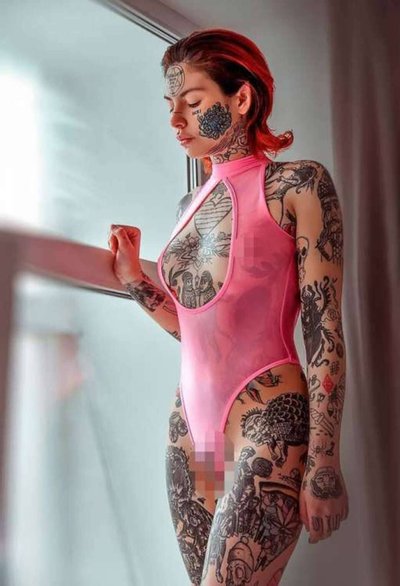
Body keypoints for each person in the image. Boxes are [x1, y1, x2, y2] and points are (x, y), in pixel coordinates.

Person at [108, 27, 349, 586]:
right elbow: (197, 329)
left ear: (241, 99)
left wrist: (323, 462)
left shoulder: (298, 185)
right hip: (190, 429)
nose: (176, 120)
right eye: (170, 105)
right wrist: (135, 281)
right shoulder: (188, 204)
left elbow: (326, 332)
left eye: (193, 103)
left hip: (267, 418)